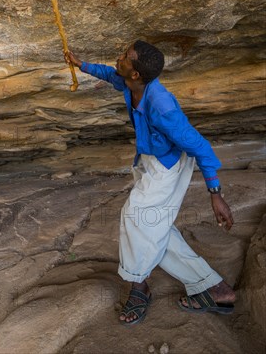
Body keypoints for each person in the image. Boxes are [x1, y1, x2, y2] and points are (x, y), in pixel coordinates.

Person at [64, 40, 235, 326]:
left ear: (135, 75)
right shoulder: (131, 84)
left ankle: (139, 287)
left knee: (135, 218)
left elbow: (201, 147)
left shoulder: (162, 106)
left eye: (125, 57)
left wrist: (215, 193)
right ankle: (215, 288)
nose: (119, 57)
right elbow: (111, 75)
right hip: (149, 159)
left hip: (168, 166)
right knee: (154, 226)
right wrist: (82, 65)